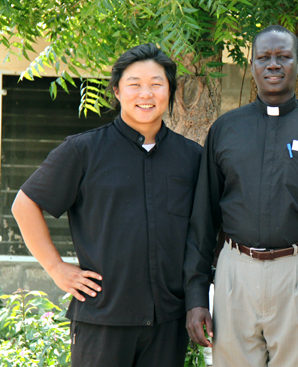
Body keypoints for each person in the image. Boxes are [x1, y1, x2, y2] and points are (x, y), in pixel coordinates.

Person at [11, 43, 202, 367]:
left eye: (157, 84)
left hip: (168, 322)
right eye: (134, 84)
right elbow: (25, 204)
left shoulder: (191, 157)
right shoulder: (83, 150)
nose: (146, 93)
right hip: (102, 317)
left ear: (170, 90)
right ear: (116, 90)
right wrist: (56, 268)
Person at [184, 25, 298, 367]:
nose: (273, 65)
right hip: (236, 273)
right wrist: (196, 295)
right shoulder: (225, 129)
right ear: (251, 67)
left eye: (283, 57)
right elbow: (203, 218)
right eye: (263, 58)